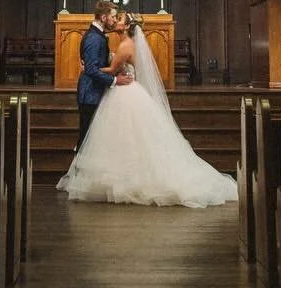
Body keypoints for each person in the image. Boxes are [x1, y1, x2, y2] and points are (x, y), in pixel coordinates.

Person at [57, 12, 238, 207]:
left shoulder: (126, 45)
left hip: (124, 92)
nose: (115, 21)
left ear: (127, 27)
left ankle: (128, 180)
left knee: (127, 137)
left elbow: (112, 70)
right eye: (115, 18)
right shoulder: (125, 43)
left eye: (119, 20)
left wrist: (89, 69)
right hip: (126, 90)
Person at [74, 3, 129, 152]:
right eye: (113, 17)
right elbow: (91, 70)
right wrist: (115, 80)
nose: (115, 20)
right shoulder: (94, 38)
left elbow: (95, 65)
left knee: (92, 139)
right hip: (90, 94)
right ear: (103, 17)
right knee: (86, 140)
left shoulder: (98, 35)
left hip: (95, 92)